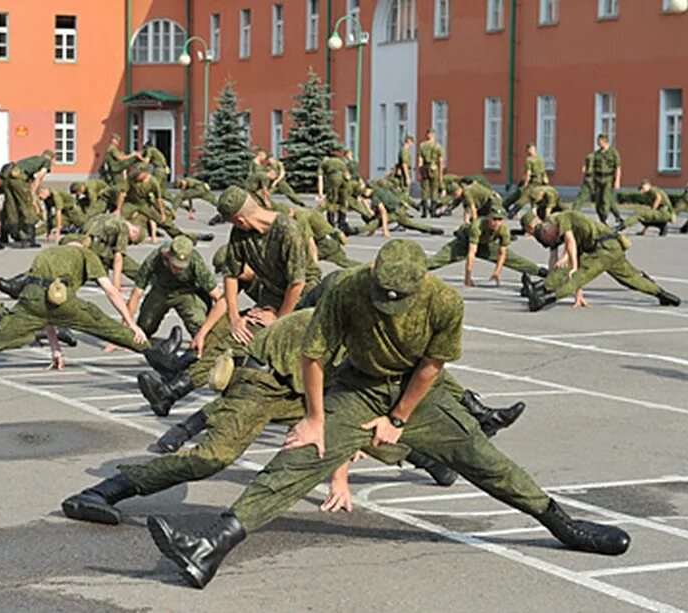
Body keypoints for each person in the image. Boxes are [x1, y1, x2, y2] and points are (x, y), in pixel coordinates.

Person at [145, 240, 632, 589]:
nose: (389, 306)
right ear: (374, 271)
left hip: (420, 394)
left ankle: (565, 527)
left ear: (421, 282)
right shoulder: (349, 290)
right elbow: (313, 356)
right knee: (296, 459)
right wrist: (315, 420)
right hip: (357, 387)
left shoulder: (444, 302)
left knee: (485, 461)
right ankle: (209, 548)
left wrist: (397, 420)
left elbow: (432, 366)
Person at [62, 304, 526, 526]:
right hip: (260, 382)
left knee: (379, 430)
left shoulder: (375, 329)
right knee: (213, 459)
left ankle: (434, 461)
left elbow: (418, 378)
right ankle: (103, 491)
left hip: (295, 381)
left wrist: (462, 414)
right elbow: (327, 405)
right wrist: (338, 478)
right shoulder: (345, 330)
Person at [138, 186, 321, 416]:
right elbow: (231, 278)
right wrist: (224, 322)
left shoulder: (287, 231)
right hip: (271, 299)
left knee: (237, 341)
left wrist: (278, 320)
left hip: (300, 302)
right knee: (221, 331)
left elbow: (298, 283)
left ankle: (171, 390)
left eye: (233, 222)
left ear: (241, 219)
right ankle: (169, 390)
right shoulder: (241, 233)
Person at [0, 242, 150, 382]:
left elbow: (44, 312)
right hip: (61, 301)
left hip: (30, 299)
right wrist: (131, 323)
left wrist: (55, 350)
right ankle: (160, 357)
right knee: (107, 328)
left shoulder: (49, 254)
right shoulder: (87, 255)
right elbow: (111, 292)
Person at [524, 211, 680, 311]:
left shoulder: (563, 219)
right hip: (611, 247)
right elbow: (569, 255)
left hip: (605, 249)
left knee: (579, 274)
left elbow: (571, 248)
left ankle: (544, 300)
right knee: (631, 279)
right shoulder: (563, 228)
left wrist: (573, 267)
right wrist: (578, 292)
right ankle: (663, 295)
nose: (552, 240)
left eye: (547, 236)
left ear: (548, 228)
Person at [427, 205, 546, 288]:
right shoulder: (477, 226)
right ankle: (416, 267)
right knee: (438, 260)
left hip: (486, 244)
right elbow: (471, 253)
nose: (497, 223)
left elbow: (502, 254)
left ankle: (540, 272)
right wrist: (467, 279)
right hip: (464, 243)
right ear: (488, 217)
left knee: (514, 259)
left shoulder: (503, 229)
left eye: (500, 219)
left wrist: (496, 273)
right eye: (494, 219)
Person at [127, 236, 222, 338]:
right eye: (175, 266)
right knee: (144, 327)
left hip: (186, 293)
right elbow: (136, 293)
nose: (178, 270)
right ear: (167, 255)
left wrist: (228, 327)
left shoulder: (196, 262)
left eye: (181, 268)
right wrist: (126, 329)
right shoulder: (155, 258)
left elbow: (218, 296)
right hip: (161, 291)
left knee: (199, 325)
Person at [504, 143, 549, 218]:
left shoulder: (529, 160)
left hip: (533, 182)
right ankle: (536, 214)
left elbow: (528, 173)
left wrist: (525, 184)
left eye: (528, 150)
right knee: (535, 198)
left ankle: (512, 210)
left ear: (529, 150)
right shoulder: (541, 159)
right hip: (541, 182)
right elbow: (544, 172)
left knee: (523, 196)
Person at [591, 134, 622, 224]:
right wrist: (592, 182)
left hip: (608, 178)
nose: (598, 142)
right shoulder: (597, 154)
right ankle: (616, 216)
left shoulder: (613, 153)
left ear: (605, 141)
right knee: (598, 202)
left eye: (599, 141)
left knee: (605, 200)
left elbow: (618, 168)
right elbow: (593, 169)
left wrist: (617, 181)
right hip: (598, 178)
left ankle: (604, 219)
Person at [417, 128, 445, 218]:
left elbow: (420, 160)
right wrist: (441, 174)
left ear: (427, 135)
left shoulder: (422, 145)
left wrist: (419, 171)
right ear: (434, 135)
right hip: (434, 168)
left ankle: (424, 212)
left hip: (425, 167)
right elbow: (441, 161)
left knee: (424, 189)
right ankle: (433, 211)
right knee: (434, 189)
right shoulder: (438, 146)